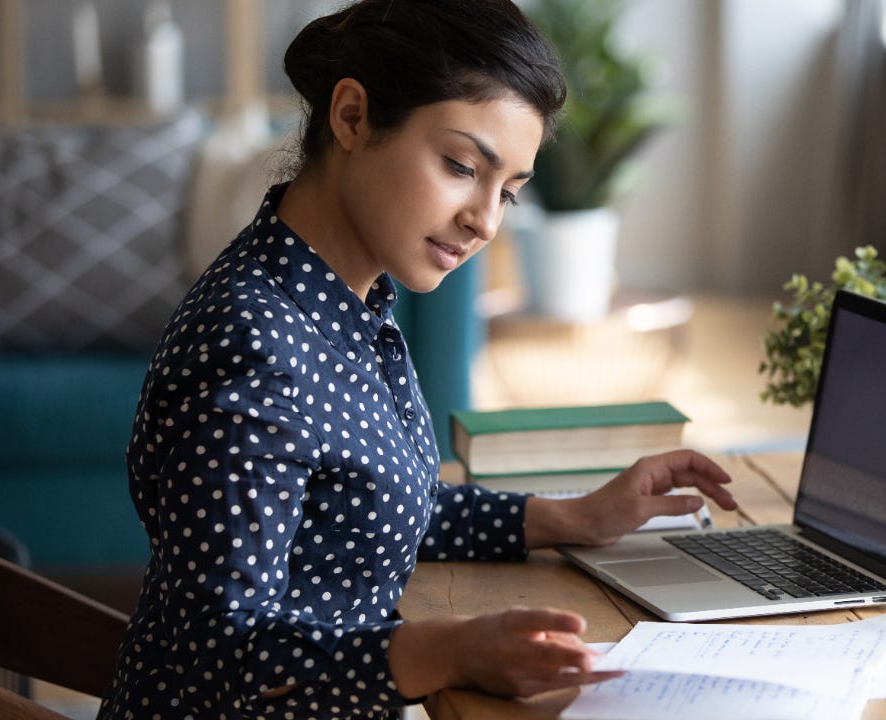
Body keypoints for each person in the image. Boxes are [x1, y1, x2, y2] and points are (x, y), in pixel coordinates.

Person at [96, 1, 738, 718]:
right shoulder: (256, 345)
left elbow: (358, 516)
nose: (485, 220)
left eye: (509, 194)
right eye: (463, 166)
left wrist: (575, 518)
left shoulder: (346, 302)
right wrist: (449, 651)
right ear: (351, 117)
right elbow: (216, 655)